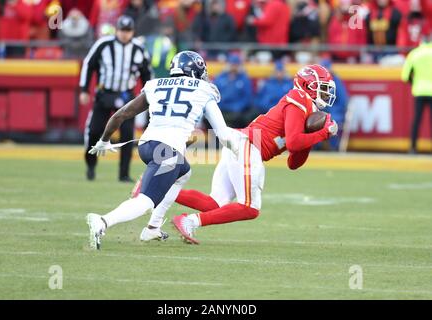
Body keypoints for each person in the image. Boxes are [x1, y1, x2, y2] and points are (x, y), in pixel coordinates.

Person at [133, 64, 339, 244]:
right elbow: (293, 143)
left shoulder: (306, 109)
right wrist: (322, 133)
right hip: (249, 145)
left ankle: (151, 186)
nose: (327, 94)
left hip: (243, 144)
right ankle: (190, 221)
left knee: (214, 204)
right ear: (307, 86)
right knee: (250, 207)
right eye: (322, 88)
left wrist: (313, 135)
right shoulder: (299, 98)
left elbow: (294, 162)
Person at [85, 50, 243, 249]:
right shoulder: (204, 90)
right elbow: (223, 133)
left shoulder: (156, 85)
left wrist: (104, 141)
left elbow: (122, 114)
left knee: (183, 173)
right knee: (145, 202)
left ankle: (153, 228)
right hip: (167, 151)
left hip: (147, 145)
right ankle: (103, 221)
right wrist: (239, 152)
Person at [79, 15, 153, 182]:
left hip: (127, 95)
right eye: (122, 30)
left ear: (132, 32)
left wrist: (150, 96)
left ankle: (124, 174)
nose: (125, 34)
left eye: (128, 31)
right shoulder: (104, 44)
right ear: (116, 30)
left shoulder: (139, 49)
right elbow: (89, 64)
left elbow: (147, 73)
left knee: (127, 135)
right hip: (105, 93)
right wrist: (84, 89)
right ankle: (91, 165)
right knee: (95, 131)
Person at [401, 33, 432, 154]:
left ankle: (413, 147)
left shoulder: (414, 54)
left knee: (417, 120)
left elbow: (405, 76)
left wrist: (414, 83)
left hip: (419, 90)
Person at [213, 53, 254, 128]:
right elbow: (214, 94)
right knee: (210, 117)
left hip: (237, 111)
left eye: (236, 65)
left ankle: (242, 137)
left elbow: (248, 98)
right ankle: (214, 139)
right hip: (222, 109)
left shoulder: (244, 79)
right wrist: (220, 107)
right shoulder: (220, 77)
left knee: (247, 116)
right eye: (232, 64)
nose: (234, 67)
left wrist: (237, 107)